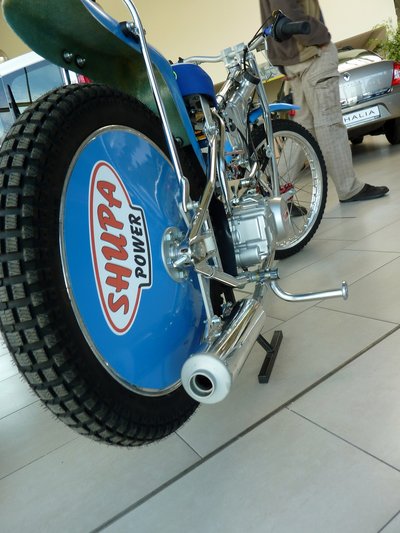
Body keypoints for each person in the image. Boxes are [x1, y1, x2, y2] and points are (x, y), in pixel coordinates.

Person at [260, 0, 389, 202]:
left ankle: (277, 194)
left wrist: (283, 62)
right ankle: (349, 188)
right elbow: (287, 9)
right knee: (329, 124)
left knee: (303, 130)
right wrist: (321, 38)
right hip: (312, 54)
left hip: (294, 60)